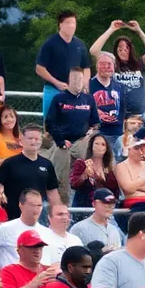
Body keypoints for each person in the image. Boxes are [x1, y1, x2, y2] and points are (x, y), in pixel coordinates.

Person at [44, 69, 97, 205]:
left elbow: (95, 123)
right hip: (63, 141)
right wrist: (60, 140)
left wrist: (91, 132)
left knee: (95, 148)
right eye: (74, 79)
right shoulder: (59, 99)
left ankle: (93, 195)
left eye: (80, 79)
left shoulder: (89, 99)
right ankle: (63, 203)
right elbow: (50, 123)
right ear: (68, 81)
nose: (77, 82)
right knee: (61, 165)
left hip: (82, 140)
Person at [88, 20, 145, 119]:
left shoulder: (140, 64)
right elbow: (93, 52)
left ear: (131, 50)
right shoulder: (112, 65)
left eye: (126, 49)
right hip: (117, 115)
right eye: (120, 49)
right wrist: (111, 29)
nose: (123, 51)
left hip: (139, 116)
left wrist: (139, 31)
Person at [0, 124, 61, 220]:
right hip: (13, 216)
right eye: (30, 138)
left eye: (37, 139)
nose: (34, 141)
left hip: (39, 217)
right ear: (21, 141)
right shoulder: (10, 163)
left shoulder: (47, 164)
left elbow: (52, 193)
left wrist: (57, 213)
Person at [35, 10, 91, 121]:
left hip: (75, 92)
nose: (72, 26)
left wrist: (84, 84)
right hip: (54, 90)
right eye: (68, 23)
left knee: (75, 122)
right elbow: (39, 68)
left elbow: (86, 67)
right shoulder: (50, 43)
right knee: (51, 123)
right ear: (60, 24)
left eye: (74, 23)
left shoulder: (80, 44)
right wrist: (57, 83)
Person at [0, 189, 47, 272]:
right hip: (14, 280)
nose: (36, 210)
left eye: (39, 205)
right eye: (32, 205)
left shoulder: (46, 232)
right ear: (21, 205)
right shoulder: (6, 229)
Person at [70, 134, 118, 209]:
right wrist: (85, 174)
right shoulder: (81, 164)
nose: (99, 147)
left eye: (103, 144)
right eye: (96, 144)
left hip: (104, 207)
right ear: (91, 146)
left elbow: (115, 191)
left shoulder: (110, 170)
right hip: (83, 207)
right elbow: (73, 184)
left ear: (106, 148)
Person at [90, 52, 127, 141]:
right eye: (102, 64)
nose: (106, 67)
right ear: (97, 66)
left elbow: (122, 111)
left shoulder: (120, 87)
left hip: (116, 134)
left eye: (109, 64)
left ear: (114, 66)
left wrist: (123, 134)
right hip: (96, 134)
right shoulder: (88, 85)